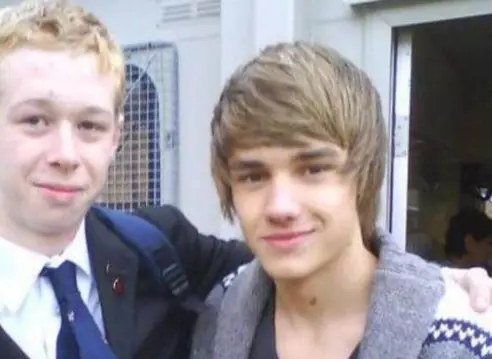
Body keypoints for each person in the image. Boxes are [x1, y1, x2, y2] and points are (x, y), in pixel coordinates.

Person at [0, 2, 491, 359]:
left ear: (119, 136)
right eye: (35, 120)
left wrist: (444, 283)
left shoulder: (159, 251)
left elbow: (311, 260)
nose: (66, 153)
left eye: (91, 125)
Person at [190, 41, 492, 359]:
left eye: (314, 169)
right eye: (254, 176)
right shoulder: (221, 310)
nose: (280, 207)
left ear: (363, 175)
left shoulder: (464, 338)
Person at [444, 207, 492, 274]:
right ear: (470, 242)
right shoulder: (439, 279)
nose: (491, 250)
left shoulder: (487, 271)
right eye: (489, 243)